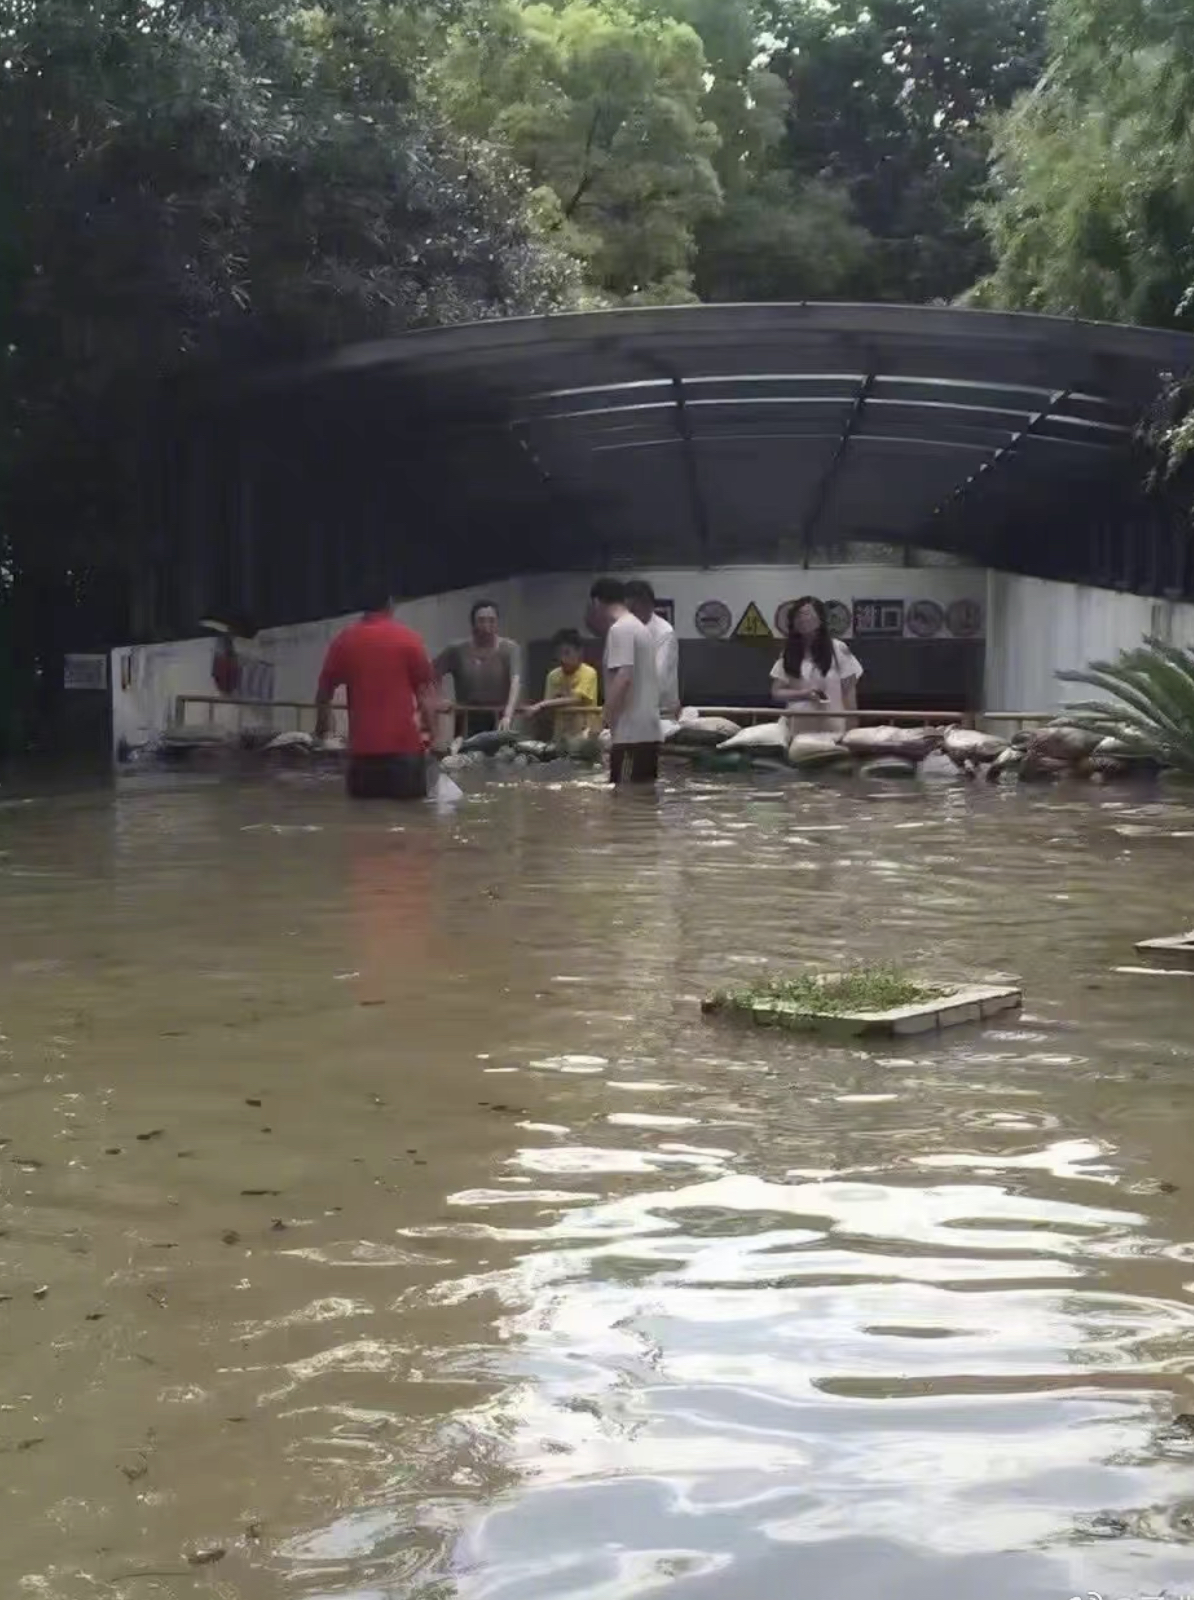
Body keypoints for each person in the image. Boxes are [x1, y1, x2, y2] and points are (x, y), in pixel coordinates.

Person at [315, 595, 440, 799]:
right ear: (391, 604)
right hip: (405, 755)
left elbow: (323, 692)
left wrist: (323, 730)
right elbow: (426, 696)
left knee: (364, 816)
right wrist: (433, 737)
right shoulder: (409, 639)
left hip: (363, 757)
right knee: (410, 817)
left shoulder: (344, 641)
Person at [587, 576, 662, 784]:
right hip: (647, 731)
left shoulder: (620, 629)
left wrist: (603, 719)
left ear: (596, 602)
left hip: (630, 734)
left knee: (623, 796)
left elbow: (623, 677)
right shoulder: (640, 628)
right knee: (643, 797)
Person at [770, 596, 863, 736]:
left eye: (807, 614)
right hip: (797, 730)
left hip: (832, 730)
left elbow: (849, 692)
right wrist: (804, 694)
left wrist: (851, 730)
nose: (802, 619)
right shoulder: (789, 653)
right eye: (797, 616)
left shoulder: (838, 649)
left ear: (820, 619)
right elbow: (777, 692)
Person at [433, 599, 521, 737]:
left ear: (497, 622)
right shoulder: (457, 650)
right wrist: (440, 698)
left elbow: (515, 681)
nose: (486, 626)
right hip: (466, 716)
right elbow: (430, 674)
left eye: (491, 620)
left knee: (499, 747)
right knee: (466, 748)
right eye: (481, 620)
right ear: (473, 623)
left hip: (499, 716)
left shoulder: (509, 649)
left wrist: (508, 715)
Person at [526, 628, 600, 742]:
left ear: (579, 652)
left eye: (567, 653)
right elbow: (549, 706)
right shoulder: (553, 676)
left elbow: (576, 699)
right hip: (561, 736)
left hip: (584, 735)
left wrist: (541, 705)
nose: (562, 659)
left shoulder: (589, 673)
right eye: (558, 654)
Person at [624, 578, 680, 719]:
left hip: (660, 711)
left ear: (647, 605)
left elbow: (659, 678)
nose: (629, 615)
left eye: (633, 609)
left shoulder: (664, 632)